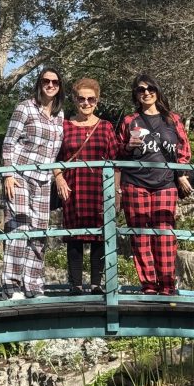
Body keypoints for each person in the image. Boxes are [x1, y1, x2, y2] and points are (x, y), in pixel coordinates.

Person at [116, 74, 193, 296]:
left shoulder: (172, 119)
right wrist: (128, 147)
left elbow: (183, 151)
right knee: (140, 235)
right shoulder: (130, 120)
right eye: (141, 90)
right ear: (136, 94)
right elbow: (117, 152)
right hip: (135, 182)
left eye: (150, 88)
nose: (146, 93)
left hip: (165, 182)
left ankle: (167, 285)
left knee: (165, 234)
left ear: (157, 91)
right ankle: (149, 285)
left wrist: (181, 174)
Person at [2, 66, 65, 299]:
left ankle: (34, 287)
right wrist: (8, 174)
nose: (50, 85)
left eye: (55, 83)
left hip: (44, 180)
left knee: (39, 233)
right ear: (39, 84)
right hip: (20, 176)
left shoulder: (60, 115)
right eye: (46, 81)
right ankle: (11, 288)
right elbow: (9, 143)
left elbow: (56, 151)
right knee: (18, 230)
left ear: (60, 88)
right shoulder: (25, 108)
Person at [53, 78, 117, 294]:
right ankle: (76, 284)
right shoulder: (64, 126)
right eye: (82, 98)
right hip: (71, 186)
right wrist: (58, 177)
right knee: (74, 237)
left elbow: (115, 161)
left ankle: (97, 284)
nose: (86, 103)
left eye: (91, 99)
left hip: (99, 188)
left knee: (99, 236)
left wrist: (116, 194)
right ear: (74, 99)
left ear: (97, 101)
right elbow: (55, 156)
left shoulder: (106, 127)